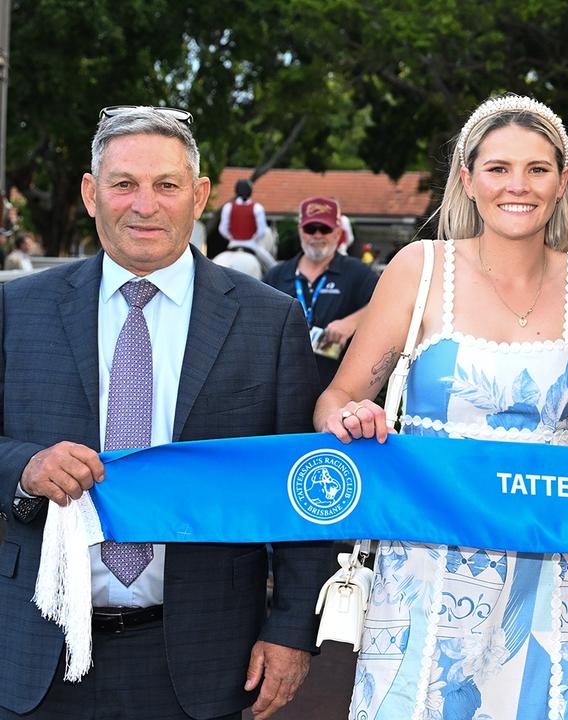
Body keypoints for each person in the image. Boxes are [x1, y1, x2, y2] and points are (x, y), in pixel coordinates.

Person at [315, 94, 568, 720]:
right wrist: (348, 419)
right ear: (467, 179)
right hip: (425, 558)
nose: (518, 186)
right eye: (498, 168)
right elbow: (338, 397)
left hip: (545, 565)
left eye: (537, 169)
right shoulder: (418, 269)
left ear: (563, 183)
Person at [0, 106, 331, 720]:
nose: (143, 205)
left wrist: (290, 629)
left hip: (202, 658)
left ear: (200, 195)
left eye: (166, 185)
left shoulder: (269, 320)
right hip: (32, 649)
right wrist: (25, 466)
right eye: (123, 183)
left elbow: (302, 485)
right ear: (90, 193)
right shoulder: (16, 309)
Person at [263, 197, 378, 389]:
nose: (317, 235)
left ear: (338, 232)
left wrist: (353, 322)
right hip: (283, 386)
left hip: (336, 388)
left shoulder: (357, 273)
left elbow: (389, 306)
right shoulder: (277, 274)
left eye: (324, 229)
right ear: (300, 230)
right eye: (310, 229)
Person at [213, 178, 275, 278]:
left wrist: (232, 237)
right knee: (273, 266)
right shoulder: (257, 208)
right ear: (250, 191)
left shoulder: (228, 207)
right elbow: (262, 231)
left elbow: (222, 229)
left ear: (236, 191)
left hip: (233, 244)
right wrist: (253, 237)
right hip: (252, 245)